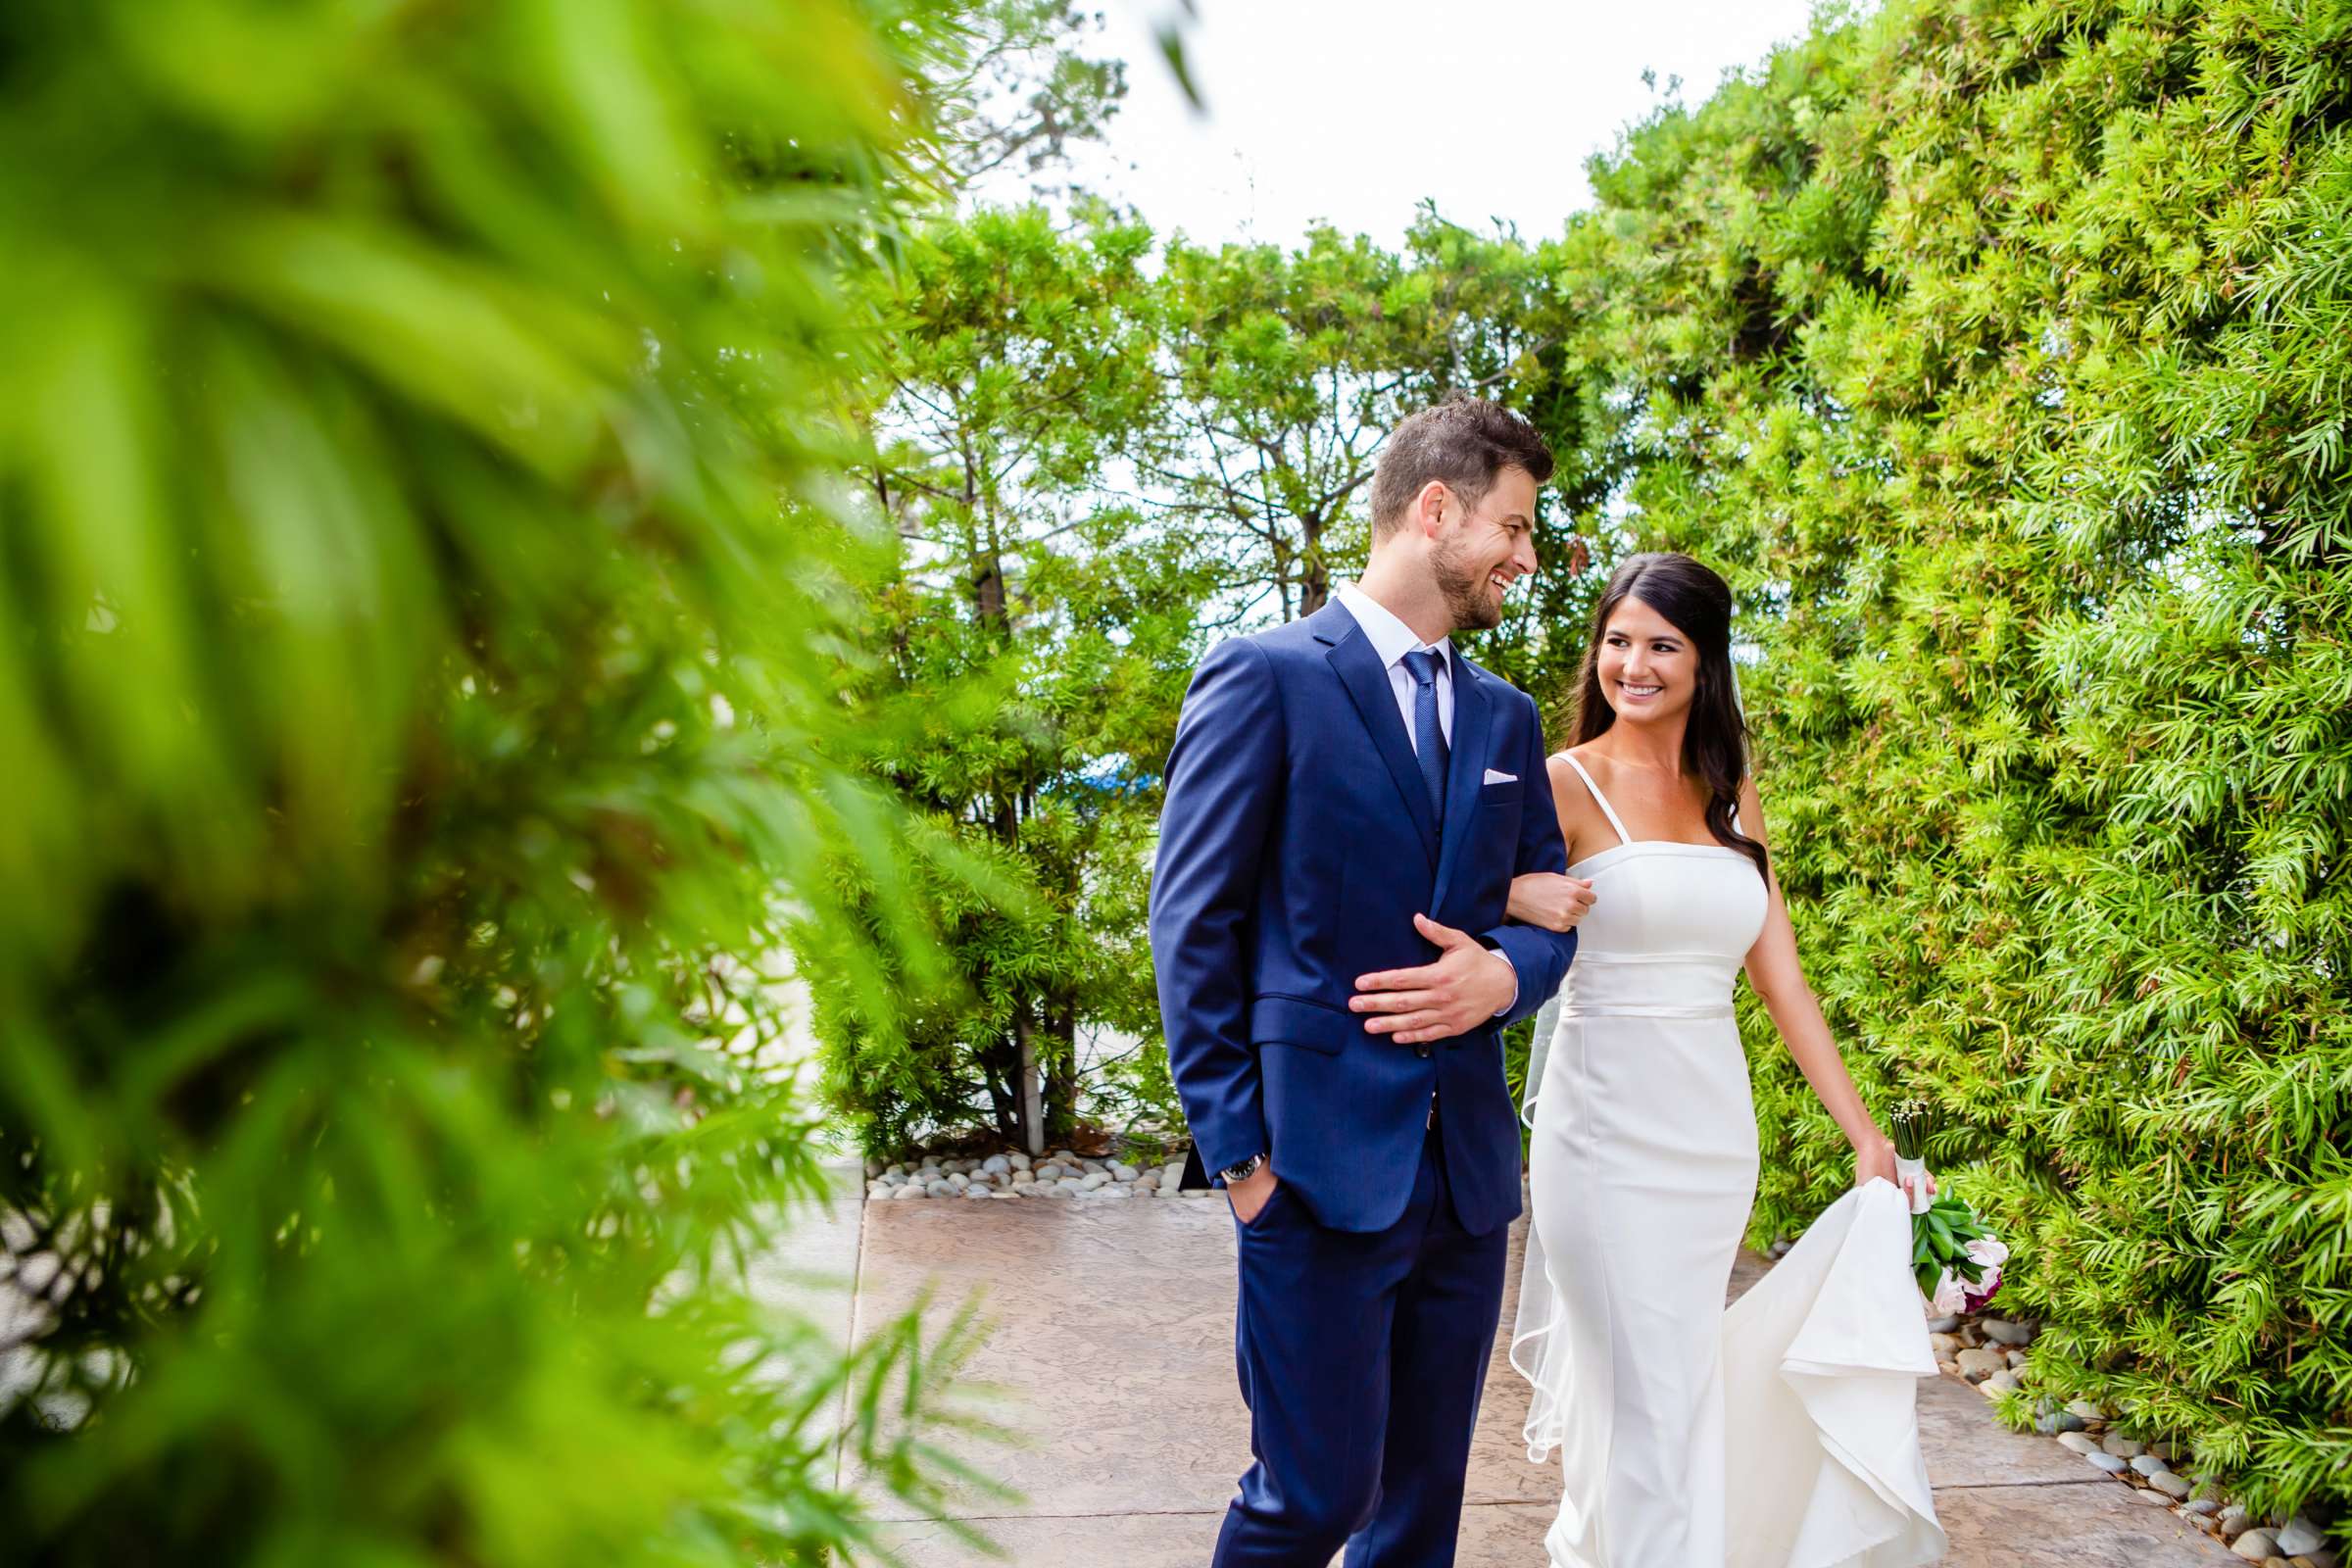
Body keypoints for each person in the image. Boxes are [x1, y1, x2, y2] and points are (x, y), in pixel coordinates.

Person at [1149, 397, 1584, 1567]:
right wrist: (1241, 1160)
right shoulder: (1266, 677)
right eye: (1514, 525)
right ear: (1434, 510)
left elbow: (1545, 904)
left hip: (1465, 1182)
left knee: (1417, 1517)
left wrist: (1504, 977)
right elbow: (1192, 925)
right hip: (1313, 1172)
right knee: (1311, 1500)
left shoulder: (1504, 717)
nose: (1526, 557)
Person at [1506, 551, 1947, 1567]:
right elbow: (1465, 898)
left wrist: (1866, 1135)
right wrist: (1513, 896)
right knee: (1650, 1394)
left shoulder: (1730, 789)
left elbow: (1780, 977)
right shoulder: (1562, 782)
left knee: (1676, 1384)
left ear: (1706, 663)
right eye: (1618, 641)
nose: (1635, 663)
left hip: (1711, 1140)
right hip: (1601, 1134)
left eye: (1663, 644)